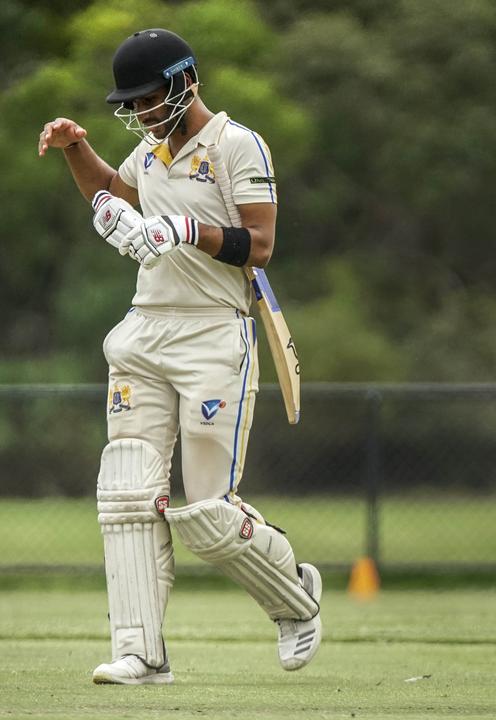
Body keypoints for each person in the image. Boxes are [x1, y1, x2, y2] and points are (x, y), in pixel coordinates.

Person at [36, 28, 321, 685]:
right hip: (144, 332)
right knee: (127, 494)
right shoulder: (148, 150)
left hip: (214, 334)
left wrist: (185, 229)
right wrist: (79, 152)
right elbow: (118, 193)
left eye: (146, 98)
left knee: (207, 514)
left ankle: (296, 599)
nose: (137, 112)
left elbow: (261, 244)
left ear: (183, 80)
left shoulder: (234, 144)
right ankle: (141, 653)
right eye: (129, 104)